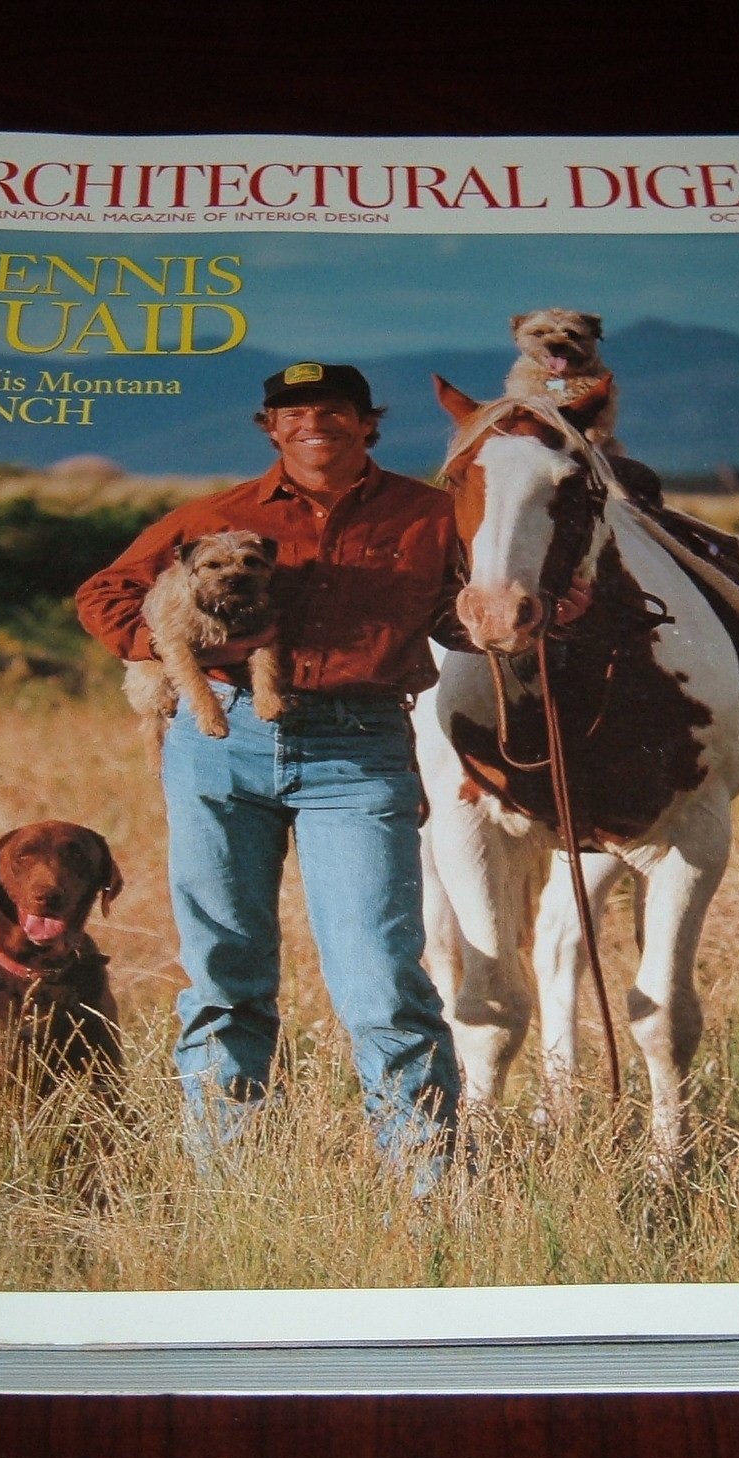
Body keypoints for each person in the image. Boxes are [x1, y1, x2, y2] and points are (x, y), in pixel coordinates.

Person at [75, 362, 461, 1179]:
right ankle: (233, 1186)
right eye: (294, 412)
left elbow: (463, 614)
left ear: (368, 421)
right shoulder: (215, 517)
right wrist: (176, 646)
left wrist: (531, 616)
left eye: (334, 409)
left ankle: (427, 1189)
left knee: (381, 976)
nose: (314, 423)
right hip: (222, 739)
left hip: (359, 746)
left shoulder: (432, 514)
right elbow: (104, 592)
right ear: (272, 428)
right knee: (224, 968)